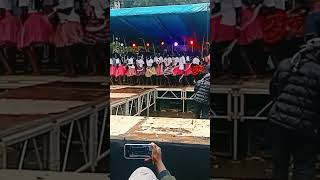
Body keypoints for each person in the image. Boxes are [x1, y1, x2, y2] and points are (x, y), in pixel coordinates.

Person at [268, 38, 320, 180]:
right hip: (305, 126)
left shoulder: (287, 64)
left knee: (279, 166)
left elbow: (274, 90)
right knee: (303, 167)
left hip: (278, 122)